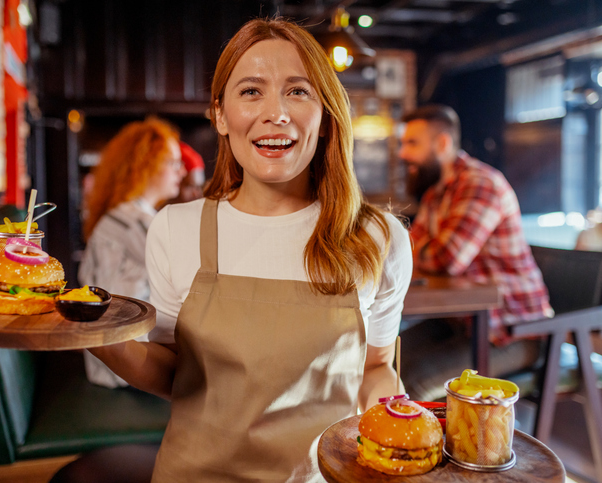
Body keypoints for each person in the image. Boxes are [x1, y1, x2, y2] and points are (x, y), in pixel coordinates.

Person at [89, 18, 413, 482]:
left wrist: (395, 423)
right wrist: (98, 338)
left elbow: (377, 366)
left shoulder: (380, 238)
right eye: (251, 91)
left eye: (298, 92)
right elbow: (172, 371)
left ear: (325, 117)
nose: (276, 112)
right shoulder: (174, 228)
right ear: (220, 115)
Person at [398, 104, 553, 401]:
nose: (403, 153)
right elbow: (407, 248)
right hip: (464, 324)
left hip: (512, 332)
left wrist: (415, 247)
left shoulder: (480, 184)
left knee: (410, 386)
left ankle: (457, 445)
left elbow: (446, 258)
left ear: (442, 144)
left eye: (412, 143)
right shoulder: (435, 192)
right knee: (385, 361)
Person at [78, 117, 186, 388]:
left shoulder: (123, 217)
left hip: (115, 358)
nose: (181, 172)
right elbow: (194, 274)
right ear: (145, 165)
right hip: (122, 368)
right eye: (173, 163)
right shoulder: (130, 221)